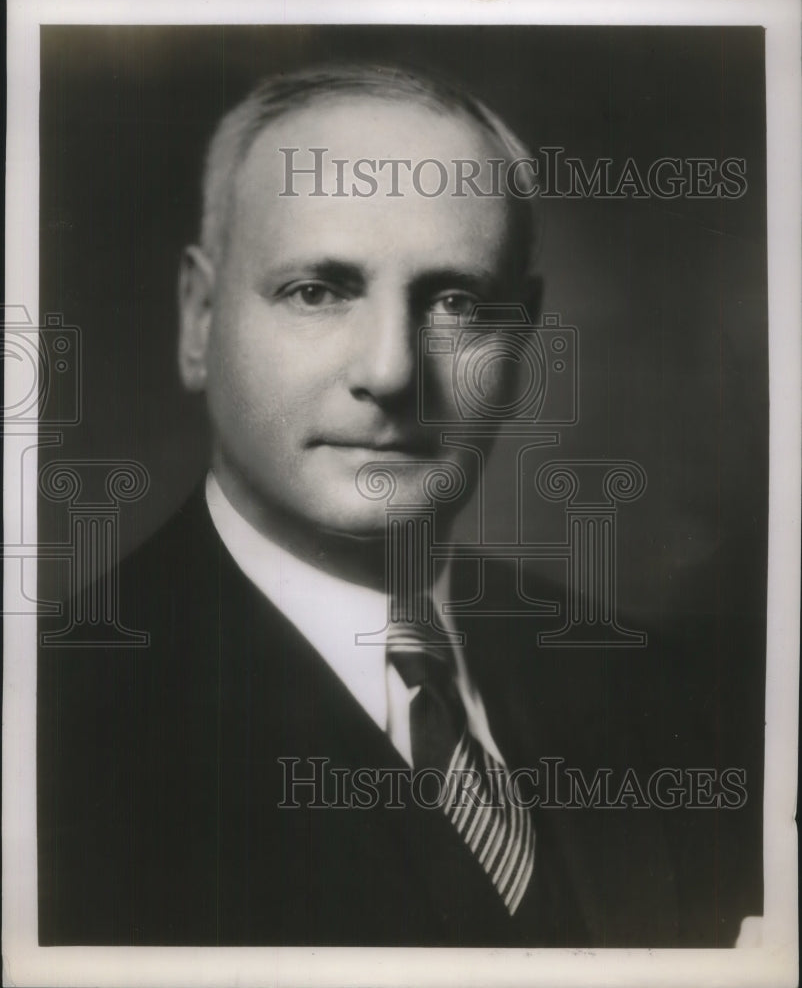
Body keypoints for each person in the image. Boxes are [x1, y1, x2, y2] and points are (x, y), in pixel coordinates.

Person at [38, 63, 686, 948]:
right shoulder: (52, 729)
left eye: (456, 301)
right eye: (317, 291)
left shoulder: (663, 693)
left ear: (522, 339)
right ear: (199, 319)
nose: (389, 372)